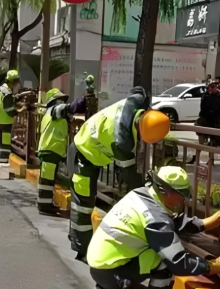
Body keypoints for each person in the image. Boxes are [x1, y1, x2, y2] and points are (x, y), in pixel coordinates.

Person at [88, 166, 220, 289]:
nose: (184, 200)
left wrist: (204, 224)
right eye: (181, 195)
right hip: (111, 270)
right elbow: (178, 262)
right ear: (167, 192)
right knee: (166, 260)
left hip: (101, 263)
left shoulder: (142, 194)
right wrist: (212, 266)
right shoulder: (155, 219)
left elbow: (170, 223)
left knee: (155, 250)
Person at [68, 87, 170, 262]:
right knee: (83, 205)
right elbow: (128, 176)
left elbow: (138, 90)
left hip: (93, 153)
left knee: (86, 200)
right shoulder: (122, 141)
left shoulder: (140, 102)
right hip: (82, 153)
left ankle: (77, 238)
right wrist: (146, 199)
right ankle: (82, 250)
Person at [37, 88, 87, 216]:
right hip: (50, 150)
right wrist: (82, 100)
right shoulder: (54, 111)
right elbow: (70, 108)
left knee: (49, 180)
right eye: (60, 100)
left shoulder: (52, 114)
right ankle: (44, 206)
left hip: (51, 150)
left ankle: (46, 204)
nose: (62, 102)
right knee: (47, 181)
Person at [0, 70, 21, 168]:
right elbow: (9, 110)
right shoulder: (7, 93)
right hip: (5, 123)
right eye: (17, 81)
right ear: (13, 81)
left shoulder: (0, 89)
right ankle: (2, 167)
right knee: (4, 148)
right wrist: (19, 110)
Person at [196, 81, 220, 147]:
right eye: (211, 87)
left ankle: (211, 156)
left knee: (214, 142)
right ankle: (198, 154)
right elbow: (203, 109)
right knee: (201, 141)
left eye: (215, 87)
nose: (213, 89)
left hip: (216, 121)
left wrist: (218, 96)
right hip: (206, 120)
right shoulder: (205, 96)